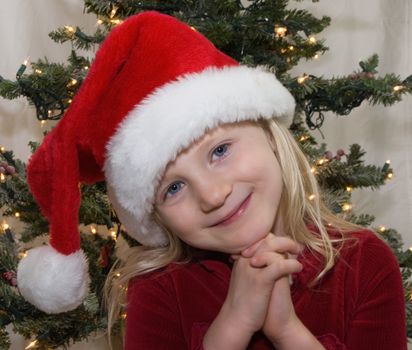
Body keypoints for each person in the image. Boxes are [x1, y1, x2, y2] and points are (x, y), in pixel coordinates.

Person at [17, 11, 406, 350]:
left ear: (269, 135)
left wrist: (287, 332)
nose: (214, 195)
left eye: (220, 151)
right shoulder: (158, 290)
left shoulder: (364, 262)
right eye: (173, 188)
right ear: (155, 218)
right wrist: (234, 323)